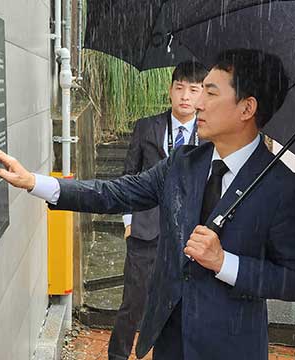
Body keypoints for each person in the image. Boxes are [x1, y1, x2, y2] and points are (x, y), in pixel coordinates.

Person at [0, 48, 295, 360]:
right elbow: (116, 193)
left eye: (211, 92)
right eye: (198, 90)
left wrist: (225, 262)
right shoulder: (184, 163)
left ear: (247, 108)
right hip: (170, 338)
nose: (197, 102)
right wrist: (37, 183)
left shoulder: (284, 190)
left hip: (230, 345)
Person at [111, 60, 208, 360]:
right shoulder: (146, 127)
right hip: (145, 230)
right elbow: (128, 175)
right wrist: (128, 221)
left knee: (180, 305)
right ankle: (117, 355)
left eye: (193, 90)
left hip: (187, 236)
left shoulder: (208, 135)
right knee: (133, 303)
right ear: (170, 91)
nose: (185, 96)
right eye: (180, 88)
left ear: (202, 94)